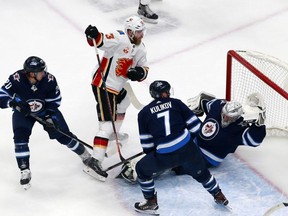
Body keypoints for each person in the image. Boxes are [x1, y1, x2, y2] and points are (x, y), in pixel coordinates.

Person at [133, 80, 229, 215]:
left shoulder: (143, 113)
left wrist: (156, 156)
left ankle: (151, 202)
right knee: (202, 174)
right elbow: (196, 128)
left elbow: (147, 145)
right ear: (166, 93)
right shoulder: (176, 103)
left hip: (164, 155)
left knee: (141, 170)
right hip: (188, 150)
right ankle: (219, 195)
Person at [0, 56, 92, 190]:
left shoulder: (49, 80)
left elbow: (55, 101)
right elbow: (2, 93)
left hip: (46, 111)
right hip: (23, 112)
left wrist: (49, 116)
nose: (44, 73)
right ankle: (24, 169)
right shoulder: (16, 78)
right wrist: (12, 102)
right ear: (32, 73)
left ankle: (85, 154)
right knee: (20, 137)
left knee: (63, 135)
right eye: (40, 71)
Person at [83, 15, 149, 181]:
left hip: (118, 86)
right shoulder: (119, 37)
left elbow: (144, 68)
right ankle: (94, 160)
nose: (142, 34)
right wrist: (93, 34)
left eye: (142, 31)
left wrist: (139, 72)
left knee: (125, 100)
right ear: (129, 31)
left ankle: (113, 133)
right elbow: (99, 41)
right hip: (104, 85)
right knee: (106, 124)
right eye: (138, 31)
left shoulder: (140, 47)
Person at [184, 92, 267, 168]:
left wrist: (259, 124)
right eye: (225, 115)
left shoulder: (240, 128)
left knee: (180, 164)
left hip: (207, 158)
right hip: (194, 143)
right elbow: (204, 99)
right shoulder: (217, 107)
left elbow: (255, 140)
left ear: (237, 117)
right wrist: (198, 105)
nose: (226, 118)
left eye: (230, 117)